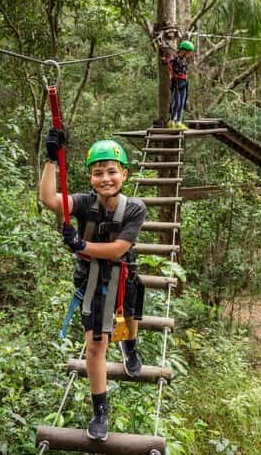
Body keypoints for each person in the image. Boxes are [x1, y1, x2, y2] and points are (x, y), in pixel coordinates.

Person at [38, 131, 147, 442]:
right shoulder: (84, 203)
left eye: (112, 171)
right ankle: (101, 410)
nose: (106, 178)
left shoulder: (135, 209)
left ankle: (131, 345)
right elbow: (48, 199)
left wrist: (80, 244)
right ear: (90, 176)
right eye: (98, 172)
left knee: (129, 319)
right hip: (92, 282)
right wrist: (51, 159)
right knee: (97, 346)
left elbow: (117, 250)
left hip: (124, 276)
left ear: (124, 174)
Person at [162, 39, 194, 130]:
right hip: (176, 83)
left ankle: (179, 122)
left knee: (182, 103)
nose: (190, 54)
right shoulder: (175, 58)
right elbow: (166, 62)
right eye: (189, 52)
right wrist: (163, 54)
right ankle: (172, 121)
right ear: (184, 51)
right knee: (177, 103)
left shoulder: (184, 60)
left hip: (184, 83)